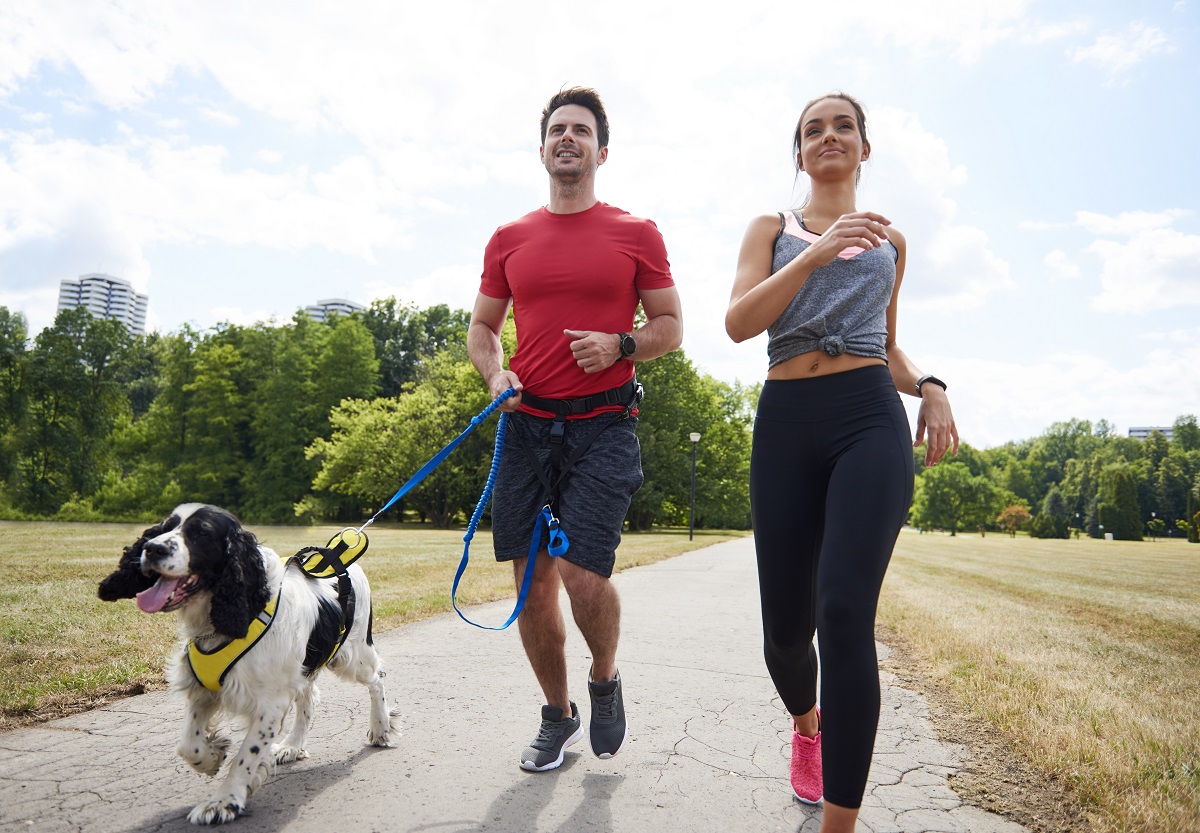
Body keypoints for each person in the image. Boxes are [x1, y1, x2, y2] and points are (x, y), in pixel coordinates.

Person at [725, 92, 958, 832]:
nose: (829, 136)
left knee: (846, 612)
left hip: (867, 418)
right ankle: (806, 722)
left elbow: (884, 347)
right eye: (812, 129)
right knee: (787, 638)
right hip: (788, 422)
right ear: (800, 154)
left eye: (843, 126)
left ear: (865, 146)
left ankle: (839, 822)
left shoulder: (893, 243)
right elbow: (738, 322)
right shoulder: (774, 226)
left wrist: (930, 385)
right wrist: (821, 249)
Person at [467, 86, 683, 773]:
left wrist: (622, 344)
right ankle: (557, 715)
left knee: (582, 572)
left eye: (581, 130)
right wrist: (495, 375)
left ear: (601, 150)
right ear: (542, 149)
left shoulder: (636, 232)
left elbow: (671, 328)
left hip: (604, 426)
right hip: (526, 427)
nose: (568, 137)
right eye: (558, 129)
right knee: (531, 583)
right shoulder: (508, 238)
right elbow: (481, 329)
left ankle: (604, 677)